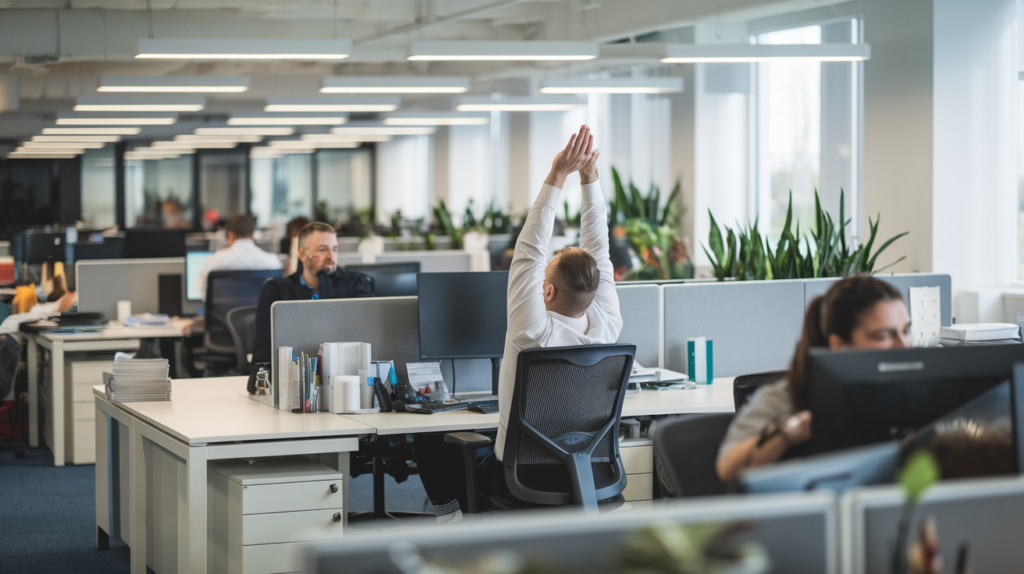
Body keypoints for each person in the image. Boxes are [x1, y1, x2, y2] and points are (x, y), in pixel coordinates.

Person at [413, 125, 623, 524]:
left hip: (520, 480)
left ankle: (451, 524)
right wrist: (589, 179)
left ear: (545, 293)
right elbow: (600, 249)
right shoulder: (608, 325)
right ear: (596, 290)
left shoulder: (532, 331)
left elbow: (529, 247)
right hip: (592, 472)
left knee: (430, 442)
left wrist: (558, 174)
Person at [715, 276, 911, 483]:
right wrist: (788, 433)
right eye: (883, 336)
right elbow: (727, 468)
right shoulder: (790, 396)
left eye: (906, 330)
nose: (904, 345)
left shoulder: (917, 390)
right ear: (839, 345)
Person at [251, 221, 374, 367]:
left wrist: (327, 281)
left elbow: (370, 337)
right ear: (302, 254)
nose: (331, 257)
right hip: (294, 374)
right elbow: (264, 346)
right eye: (322, 250)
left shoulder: (355, 284)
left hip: (344, 373)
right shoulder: (277, 290)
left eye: (334, 249)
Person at [193, 214, 283, 302]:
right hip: (261, 316)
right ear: (253, 235)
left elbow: (202, 294)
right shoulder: (272, 262)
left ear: (230, 235)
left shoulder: (216, 260)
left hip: (223, 316)